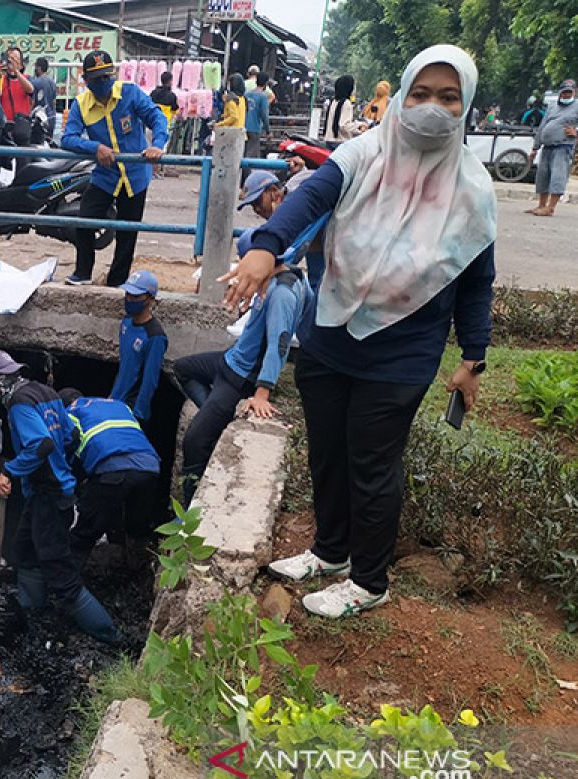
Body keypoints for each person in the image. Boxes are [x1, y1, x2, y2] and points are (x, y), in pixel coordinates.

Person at [224, 44, 497, 618]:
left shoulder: (473, 191)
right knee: (327, 452)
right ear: (400, 93)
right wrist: (267, 248)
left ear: (466, 105)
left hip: (402, 353)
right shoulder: (363, 153)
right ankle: (330, 553)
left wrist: (474, 357)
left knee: (372, 464)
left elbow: (476, 282)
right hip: (329, 330)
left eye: (448, 98)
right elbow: (312, 198)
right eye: (420, 94)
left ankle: (370, 581)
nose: (430, 108)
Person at [0, 350, 120, 644]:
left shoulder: (18, 404)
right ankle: (33, 611)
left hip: (50, 495)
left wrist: (10, 472)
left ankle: (113, 637)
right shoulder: (46, 392)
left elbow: (40, 444)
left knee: (61, 575)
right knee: (25, 549)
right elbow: (71, 435)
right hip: (51, 491)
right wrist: (62, 466)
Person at [175, 230, 310, 505]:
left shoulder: (282, 293)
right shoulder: (278, 280)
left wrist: (263, 392)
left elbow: (279, 344)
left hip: (239, 377)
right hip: (230, 360)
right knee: (182, 368)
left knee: (194, 441)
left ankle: (189, 511)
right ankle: (214, 415)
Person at [61, 50, 168, 288]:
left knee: (127, 230)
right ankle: (82, 272)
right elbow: (67, 138)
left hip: (135, 175)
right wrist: (94, 147)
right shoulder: (81, 104)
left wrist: (157, 145)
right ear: (86, 80)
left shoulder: (129, 93)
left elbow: (156, 117)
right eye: (97, 79)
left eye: (106, 78)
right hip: (105, 175)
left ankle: (117, 280)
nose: (103, 84)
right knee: (85, 220)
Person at [58, 388, 160, 567]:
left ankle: (65, 582)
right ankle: (138, 569)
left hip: (112, 469)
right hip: (149, 467)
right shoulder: (118, 405)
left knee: (85, 532)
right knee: (138, 526)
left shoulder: (70, 412)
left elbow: (68, 448)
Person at [240, 169, 325, 290]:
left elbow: (293, 253)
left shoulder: (296, 205)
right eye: (253, 206)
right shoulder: (293, 186)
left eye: (258, 202)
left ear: (274, 191)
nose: (257, 209)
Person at [529, 79, 578, 218]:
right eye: (564, 92)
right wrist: (535, 147)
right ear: (560, 93)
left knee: (558, 176)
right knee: (542, 176)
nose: (567, 94)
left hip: (563, 146)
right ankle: (541, 205)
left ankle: (551, 208)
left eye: (570, 92)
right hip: (547, 146)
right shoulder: (552, 106)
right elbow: (542, 126)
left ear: (574, 92)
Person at [110, 270, 168, 422]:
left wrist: (138, 414)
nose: (129, 299)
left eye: (135, 296)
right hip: (116, 399)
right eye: (127, 294)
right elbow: (125, 365)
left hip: (133, 408)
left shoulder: (154, 336)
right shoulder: (126, 322)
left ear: (149, 299)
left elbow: (150, 380)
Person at [0, 47, 35, 150]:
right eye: (9, 58)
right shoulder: (1, 79)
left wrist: (16, 72)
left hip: (22, 130)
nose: (11, 61)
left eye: (15, 59)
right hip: (4, 130)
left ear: (21, 64)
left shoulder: (26, 79)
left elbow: (30, 89)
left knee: (23, 163)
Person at [244, 72, 272, 164]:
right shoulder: (263, 97)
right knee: (251, 156)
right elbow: (264, 115)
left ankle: (241, 176)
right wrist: (268, 131)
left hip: (243, 127)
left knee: (243, 153)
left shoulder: (247, 94)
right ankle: (247, 177)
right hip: (255, 128)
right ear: (266, 84)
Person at [323, 75, 355, 144]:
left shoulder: (333, 101)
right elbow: (344, 126)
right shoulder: (346, 103)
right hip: (340, 141)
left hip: (328, 139)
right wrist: (359, 127)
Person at [31, 57, 58, 141]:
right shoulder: (52, 82)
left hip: (39, 120)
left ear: (38, 68)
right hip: (51, 118)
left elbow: (32, 102)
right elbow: (54, 102)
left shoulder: (35, 83)